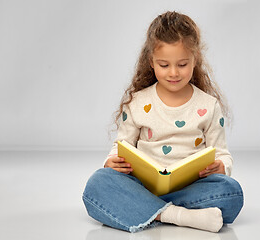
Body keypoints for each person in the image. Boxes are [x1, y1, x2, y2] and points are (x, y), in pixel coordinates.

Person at [83, 11, 243, 233]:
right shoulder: (138, 101)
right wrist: (112, 161)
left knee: (232, 192)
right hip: (141, 187)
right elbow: (121, 146)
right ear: (151, 62)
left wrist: (221, 167)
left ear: (195, 59)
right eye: (164, 65)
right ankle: (176, 215)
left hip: (190, 189)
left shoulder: (209, 105)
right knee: (98, 184)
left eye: (182, 64)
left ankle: (146, 212)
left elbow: (222, 154)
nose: (174, 73)